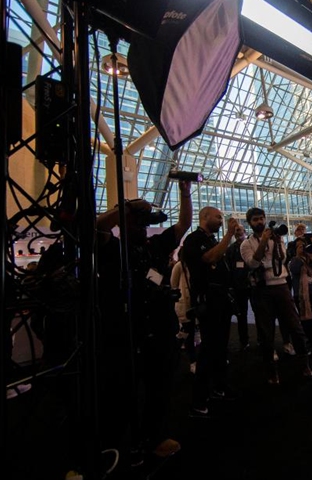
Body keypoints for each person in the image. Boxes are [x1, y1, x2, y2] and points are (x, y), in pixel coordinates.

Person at [95, 181, 191, 463]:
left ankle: (153, 437)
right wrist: (125, 208)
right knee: (119, 391)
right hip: (125, 331)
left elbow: (183, 224)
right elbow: (96, 228)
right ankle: (111, 444)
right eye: (136, 220)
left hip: (160, 329)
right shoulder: (111, 247)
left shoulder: (155, 245)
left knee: (159, 389)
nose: (141, 224)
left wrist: (184, 191)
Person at [240, 207, 312, 384]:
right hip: (262, 290)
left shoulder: (277, 239)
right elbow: (252, 263)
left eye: (261, 218)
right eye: (255, 219)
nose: (259, 222)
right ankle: (271, 372)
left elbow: (281, 260)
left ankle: (305, 364)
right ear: (249, 222)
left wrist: (275, 241)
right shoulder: (246, 244)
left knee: (295, 327)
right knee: (266, 333)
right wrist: (264, 242)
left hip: (281, 286)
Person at [181, 207, 239, 418]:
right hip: (208, 300)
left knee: (221, 347)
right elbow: (210, 259)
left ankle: (219, 387)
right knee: (208, 348)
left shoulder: (213, 239)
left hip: (222, 300)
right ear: (204, 217)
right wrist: (229, 235)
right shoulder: (194, 240)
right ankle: (199, 399)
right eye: (218, 217)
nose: (221, 220)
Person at [225, 225, 252, 349]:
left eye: (239, 230)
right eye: (235, 230)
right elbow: (228, 268)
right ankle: (244, 340)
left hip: (252, 285)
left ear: (244, 231)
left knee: (260, 312)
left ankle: (261, 340)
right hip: (238, 287)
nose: (237, 232)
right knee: (242, 314)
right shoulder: (231, 249)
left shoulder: (251, 246)